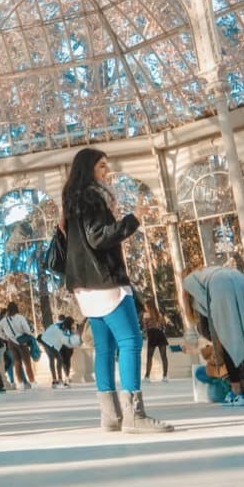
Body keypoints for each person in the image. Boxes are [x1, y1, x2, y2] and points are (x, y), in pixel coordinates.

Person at [62, 148, 173, 433]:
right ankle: (135, 415)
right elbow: (99, 238)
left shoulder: (73, 199)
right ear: (89, 169)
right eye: (101, 166)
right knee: (131, 341)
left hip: (84, 286)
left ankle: (110, 415)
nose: (106, 171)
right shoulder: (92, 196)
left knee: (104, 347)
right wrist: (132, 219)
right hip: (105, 282)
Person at [182, 265, 244, 406]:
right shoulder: (211, 272)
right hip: (242, 281)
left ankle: (237, 393)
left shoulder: (190, 282)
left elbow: (207, 326)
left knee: (227, 341)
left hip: (221, 287)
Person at [0, 301, 36, 389]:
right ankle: (33, 382)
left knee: (17, 363)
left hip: (11, 343)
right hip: (22, 342)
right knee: (27, 363)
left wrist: (6, 337)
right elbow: (27, 330)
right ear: (16, 308)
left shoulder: (4, 320)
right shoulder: (20, 318)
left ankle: (20, 383)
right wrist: (28, 334)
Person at [40, 316, 80, 388]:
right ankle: (60, 380)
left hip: (46, 341)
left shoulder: (61, 324)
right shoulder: (59, 328)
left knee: (55, 360)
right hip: (49, 342)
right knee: (60, 359)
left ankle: (57, 380)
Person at [142, 308, 169, 383]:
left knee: (151, 357)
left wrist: (145, 333)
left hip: (155, 334)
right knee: (162, 356)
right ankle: (164, 376)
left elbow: (145, 327)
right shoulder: (159, 312)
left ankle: (148, 376)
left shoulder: (147, 313)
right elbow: (165, 323)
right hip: (157, 334)